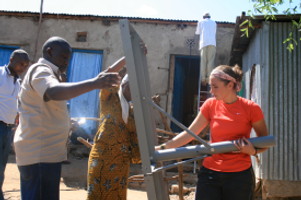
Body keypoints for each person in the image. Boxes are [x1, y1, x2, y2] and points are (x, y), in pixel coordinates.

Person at [13, 36, 121, 200]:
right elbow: (53, 92)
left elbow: (46, 109)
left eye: (68, 59)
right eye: (63, 57)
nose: (66, 63)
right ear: (49, 52)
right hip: (39, 156)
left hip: (46, 155)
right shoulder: (41, 70)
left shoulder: (52, 73)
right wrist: (94, 83)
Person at [156, 65, 269, 200]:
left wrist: (253, 151)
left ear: (230, 85)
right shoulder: (210, 105)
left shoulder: (251, 108)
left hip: (239, 176)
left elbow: (265, 141)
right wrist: (162, 148)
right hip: (210, 173)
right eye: (210, 86)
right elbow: (189, 133)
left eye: (215, 87)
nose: (211, 91)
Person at [87, 67, 141, 200]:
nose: (132, 93)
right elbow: (105, 75)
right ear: (123, 85)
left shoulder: (132, 111)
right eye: (130, 88)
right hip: (101, 160)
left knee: (117, 196)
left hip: (121, 164)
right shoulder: (109, 98)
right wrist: (126, 61)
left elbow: (134, 136)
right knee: (97, 195)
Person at [0, 49, 29, 200]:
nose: (23, 68)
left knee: (1, 165)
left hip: (7, 129)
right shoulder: (0, 74)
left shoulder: (18, 82)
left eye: (25, 65)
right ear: (12, 60)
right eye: (21, 64)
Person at [195, 12, 217, 85]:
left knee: (203, 61)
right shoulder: (214, 22)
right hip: (212, 43)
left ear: (203, 17)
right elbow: (214, 32)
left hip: (203, 43)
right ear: (209, 17)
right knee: (210, 61)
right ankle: (208, 78)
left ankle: (203, 78)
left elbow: (197, 32)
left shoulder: (201, 22)